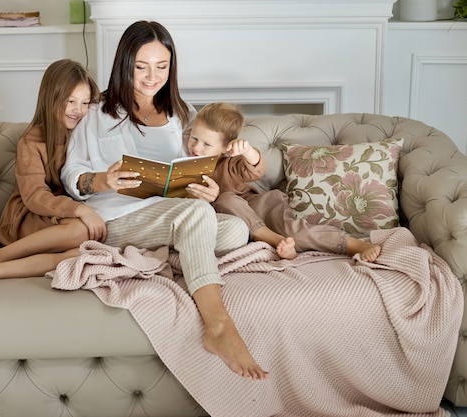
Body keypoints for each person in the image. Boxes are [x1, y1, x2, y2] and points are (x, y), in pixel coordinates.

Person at [61, 20, 269, 380]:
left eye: (161, 67)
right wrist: (101, 180)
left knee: (235, 230)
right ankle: (218, 324)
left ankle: (165, 252)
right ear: (124, 63)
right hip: (117, 217)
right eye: (141, 67)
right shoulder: (96, 114)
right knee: (194, 216)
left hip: (172, 212)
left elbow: (198, 166)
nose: (150, 77)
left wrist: (209, 190)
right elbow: (71, 174)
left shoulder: (181, 112)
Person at [0, 59, 105, 296]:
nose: (79, 110)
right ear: (51, 98)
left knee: (90, 252)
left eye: (85, 103)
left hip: (63, 220)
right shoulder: (32, 141)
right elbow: (35, 195)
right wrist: (79, 209)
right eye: (71, 101)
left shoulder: (85, 134)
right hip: (30, 214)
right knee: (82, 232)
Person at [188, 102, 382, 262]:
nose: (196, 147)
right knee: (225, 200)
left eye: (206, 144)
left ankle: (357, 244)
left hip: (261, 208)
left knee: (295, 233)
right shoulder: (186, 167)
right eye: (194, 138)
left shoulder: (231, 163)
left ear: (225, 147)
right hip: (235, 225)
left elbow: (256, 168)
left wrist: (247, 151)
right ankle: (275, 242)